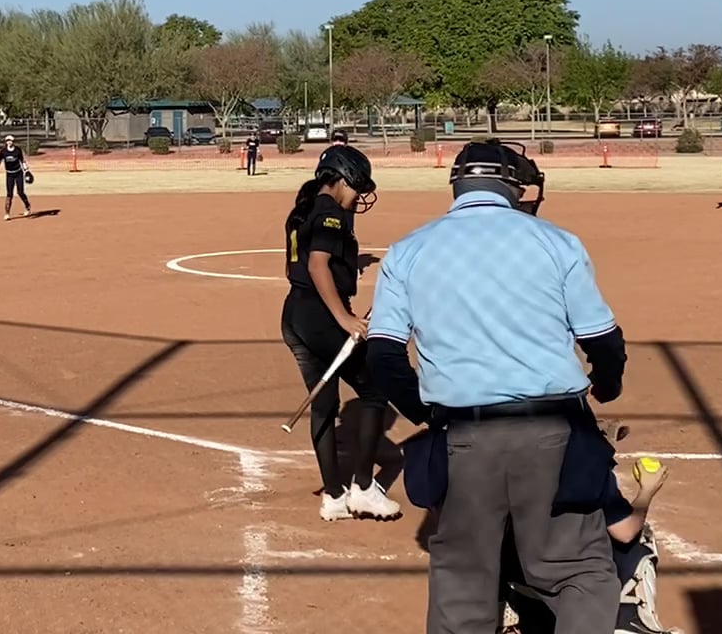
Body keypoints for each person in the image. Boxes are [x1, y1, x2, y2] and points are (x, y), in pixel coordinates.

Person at [367, 138, 627, 634]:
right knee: (577, 570)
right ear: (512, 186)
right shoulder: (556, 241)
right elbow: (603, 339)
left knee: (463, 580)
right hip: (555, 428)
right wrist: (607, 384)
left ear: (457, 185)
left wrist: (426, 414)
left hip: (463, 434)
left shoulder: (408, 250)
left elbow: (383, 356)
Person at [281, 144, 400, 522]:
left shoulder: (303, 208)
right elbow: (318, 265)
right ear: (343, 179)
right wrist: (344, 318)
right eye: (357, 188)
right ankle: (363, 488)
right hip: (319, 316)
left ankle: (334, 495)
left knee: (324, 402)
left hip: (295, 313)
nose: (359, 197)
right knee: (375, 390)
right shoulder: (330, 213)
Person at [502, 451, 676, 634]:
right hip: (577, 583)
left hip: (518, 577)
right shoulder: (587, 455)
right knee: (638, 538)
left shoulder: (498, 451)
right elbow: (625, 532)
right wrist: (647, 491)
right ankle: (628, 618)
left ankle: (505, 609)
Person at [0, 135, 32, 220]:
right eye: (7, 141)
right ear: (6, 142)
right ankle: (7, 213)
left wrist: (27, 170)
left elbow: (22, 161)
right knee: (9, 194)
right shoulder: (3, 151)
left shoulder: (17, 150)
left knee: (20, 192)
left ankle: (27, 206)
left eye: (10, 141)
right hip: (9, 174)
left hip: (18, 173)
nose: (9, 142)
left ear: (13, 142)